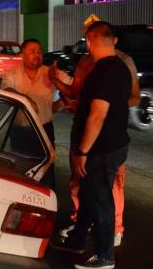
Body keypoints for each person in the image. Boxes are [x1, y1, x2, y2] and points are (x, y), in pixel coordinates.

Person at [51, 17, 140, 246]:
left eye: (90, 36)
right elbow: (77, 93)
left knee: (109, 187)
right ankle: (80, 227)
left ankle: (111, 234)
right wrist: (57, 83)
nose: (88, 41)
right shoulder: (86, 63)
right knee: (82, 184)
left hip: (104, 139)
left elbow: (107, 109)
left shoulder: (120, 63)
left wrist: (109, 107)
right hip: (86, 133)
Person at [1, 38, 63, 189]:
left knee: (46, 173)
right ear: (22, 55)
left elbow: (73, 88)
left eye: (40, 52)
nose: (37, 55)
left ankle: (45, 208)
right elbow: (6, 92)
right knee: (21, 173)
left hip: (44, 131)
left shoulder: (50, 73)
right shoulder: (12, 74)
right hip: (20, 132)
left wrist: (63, 103)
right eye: (32, 51)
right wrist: (26, 100)